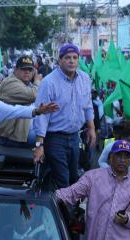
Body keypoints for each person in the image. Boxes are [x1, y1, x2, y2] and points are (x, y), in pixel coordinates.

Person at [33, 43, 96, 190]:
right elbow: (41, 116)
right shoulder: (49, 82)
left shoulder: (85, 79)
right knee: (62, 180)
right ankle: (63, 212)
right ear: (59, 60)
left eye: (75, 57)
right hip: (55, 139)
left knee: (74, 178)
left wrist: (92, 128)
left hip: (75, 137)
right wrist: (39, 145)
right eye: (67, 58)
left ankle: (69, 210)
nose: (71, 61)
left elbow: (87, 105)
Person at [56, 140, 130, 240]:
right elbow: (71, 193)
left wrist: (127, 219)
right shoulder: (92, 177)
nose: (122, 160)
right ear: (111, 157)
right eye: (118, 155)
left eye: (126, 156)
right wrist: (49, 198)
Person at [0, 55, 39, 148]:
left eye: (30, 69)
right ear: (16, 70)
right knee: (50, 140)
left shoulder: (25, 83)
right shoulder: (10, 83)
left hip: (21, 131)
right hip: (10, 136)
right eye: (23, 69)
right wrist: (37, 81)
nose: (27, 72)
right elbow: (34, 95)